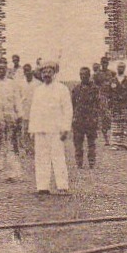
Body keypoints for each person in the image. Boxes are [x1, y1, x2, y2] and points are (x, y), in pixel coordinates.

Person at [29, 64, 73, 195]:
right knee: (41, 158)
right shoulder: (38, 90)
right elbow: (34, 111)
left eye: (49, 72)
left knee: (58, 157)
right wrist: (32, 129)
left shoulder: (62, 89)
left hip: (56, 130)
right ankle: (42, 186)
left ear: (54, 73)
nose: (46, 74)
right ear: (41, 74)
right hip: (40, 129)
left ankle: (62, 186)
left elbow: (67, 110)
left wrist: (65, 128)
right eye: (44, 72)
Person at [70, 67, 101, 170]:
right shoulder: (76, 89)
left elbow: (98, 104)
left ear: (89, 75)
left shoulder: (95, 89)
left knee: (91, 143)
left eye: (85, 75)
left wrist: (96, 118)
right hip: (79, 120)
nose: (83, 76)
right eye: (81, 74)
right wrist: (73, 117)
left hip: (90, 119)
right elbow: (72, 105)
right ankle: (79, 163)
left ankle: (91, 162)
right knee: (78, 142)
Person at [110, 64, 127, 150]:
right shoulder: (113, 81)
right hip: (115, 106)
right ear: (117, 68)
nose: (120, 68)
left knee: (126, 124)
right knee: (116, 124)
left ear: (124, 68)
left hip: (125, 105)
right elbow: (109, 94)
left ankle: (126, 143)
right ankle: (115, 143)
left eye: (122, 67)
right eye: (119, 67)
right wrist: (110, 105)